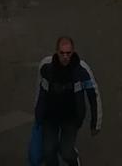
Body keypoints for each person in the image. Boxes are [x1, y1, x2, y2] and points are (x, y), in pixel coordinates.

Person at [34, 36, 101, 166]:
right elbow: (40, 91)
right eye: (62, 53)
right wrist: (38, 114)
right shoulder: (46, 67)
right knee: (48, 151)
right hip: (50, 118)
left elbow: (93, 94)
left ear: (73, 52)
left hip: (71, 119)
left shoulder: (82, 70)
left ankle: (74, 160)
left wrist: (95, 123)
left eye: (68, 53)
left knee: (66, 152)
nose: (65, 57)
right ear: (56, 52)